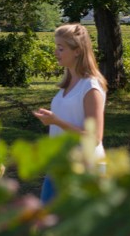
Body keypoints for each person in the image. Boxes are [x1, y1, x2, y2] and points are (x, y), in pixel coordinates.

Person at [33, 23, 107, 203]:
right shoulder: (68, 84)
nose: (56, 52)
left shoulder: (90, 86)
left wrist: (57, 121)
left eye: (61, 48)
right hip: (60, 166)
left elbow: (95, 138)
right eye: (56, 47)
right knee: (47, 224)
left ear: (77, 51)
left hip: (84, 169)